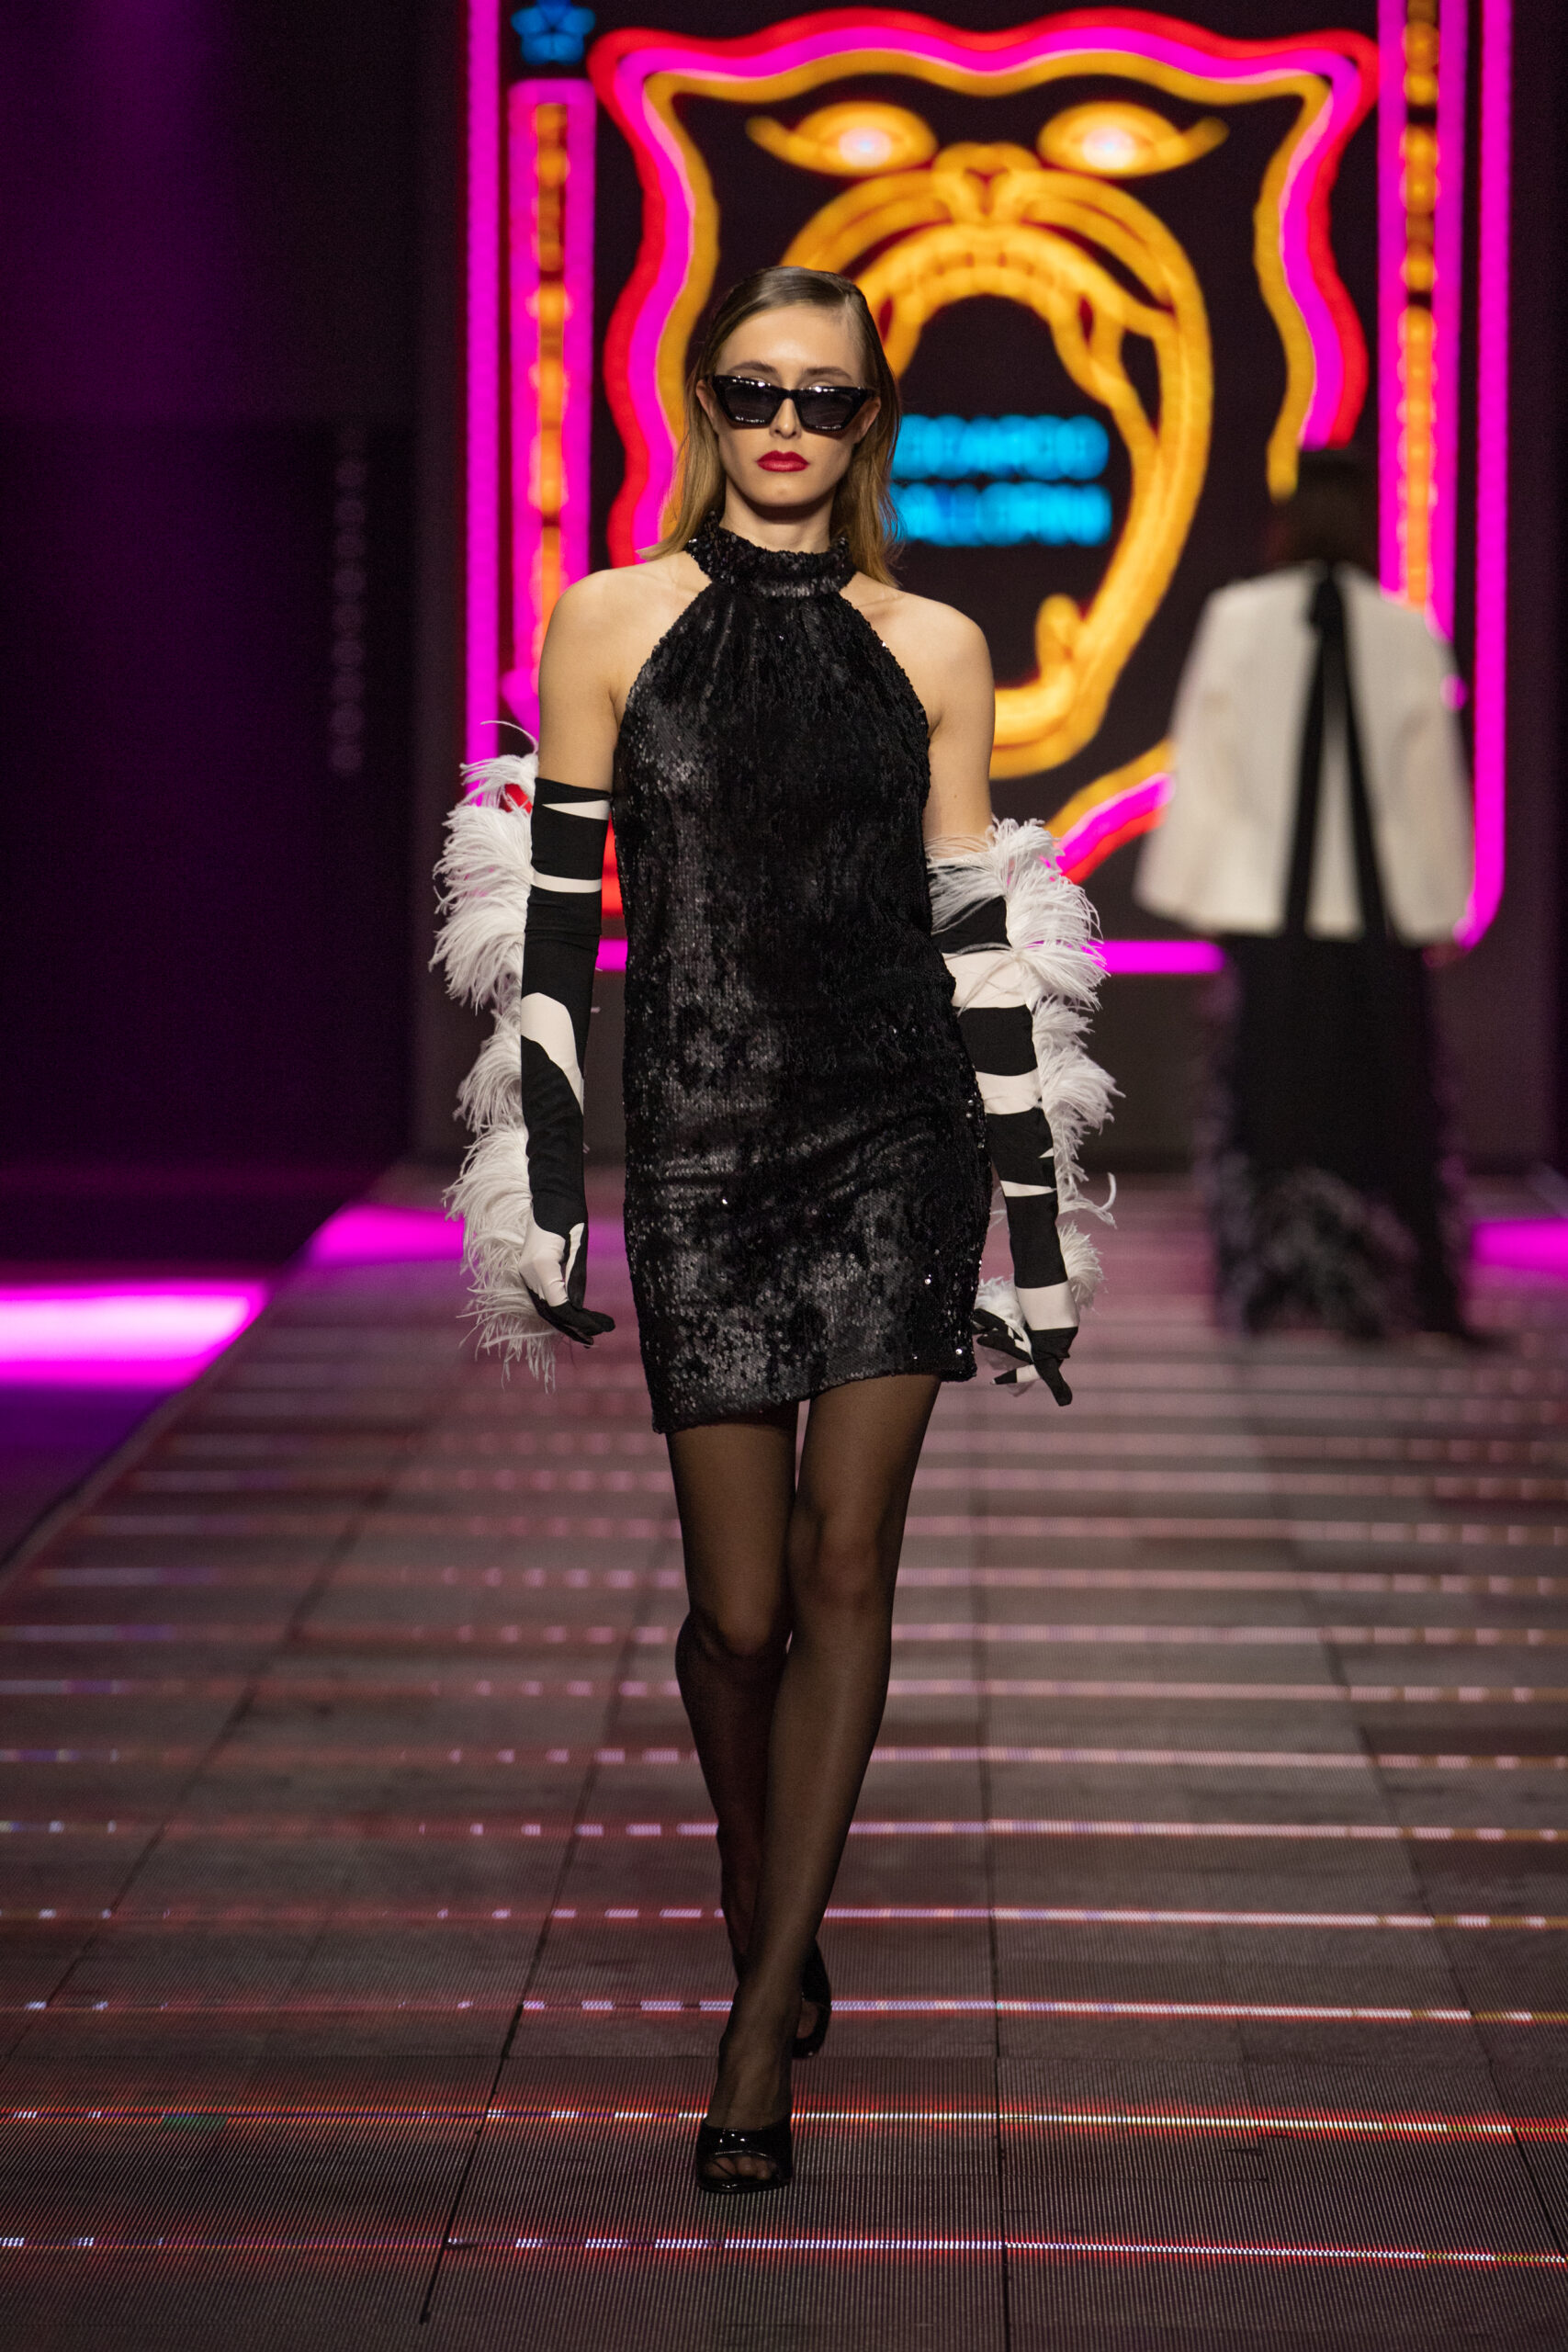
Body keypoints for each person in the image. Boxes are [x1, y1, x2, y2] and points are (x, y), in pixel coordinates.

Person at [434, 266, 1111, 2192]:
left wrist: (1032, 1235)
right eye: (753, 390)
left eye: (823, 395)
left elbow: (976, 935)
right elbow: (555, 924)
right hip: (705, 1147)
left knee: (842, 1561)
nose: (787, 423)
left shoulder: (936, 646)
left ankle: (753, 2026)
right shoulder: (606, 620)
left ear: (868, 419)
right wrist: (542, 1183)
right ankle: (764, 1891)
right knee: (734, 1616)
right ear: (703, 405)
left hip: (894, 1136)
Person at [1135, 448, 1475, 1340]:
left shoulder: (1239, 621)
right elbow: (1430, 786)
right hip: (1374, 916)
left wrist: (1201, 890)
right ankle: (1416, 1286)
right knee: (1391, 1099)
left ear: (1284, 523)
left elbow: (1207, 766)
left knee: (1262, 1101)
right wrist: (1439, 905)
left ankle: (1258, 1282)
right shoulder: (1404, 631)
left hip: (1265, 912)